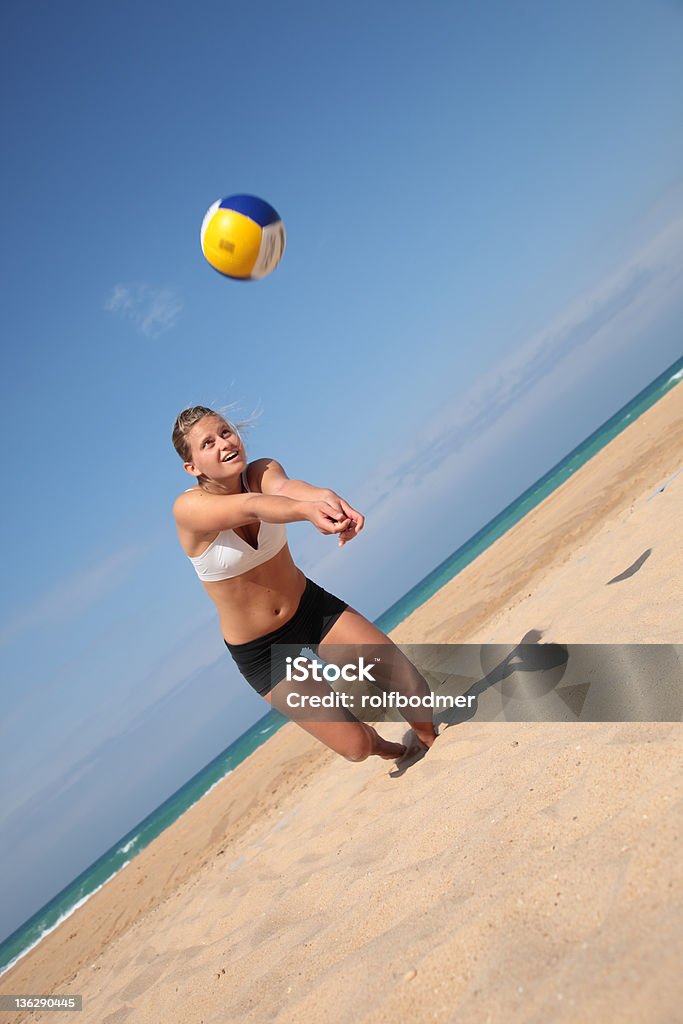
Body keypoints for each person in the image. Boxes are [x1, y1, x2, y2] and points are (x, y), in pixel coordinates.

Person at [171, 405, 438, 764]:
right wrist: (305, 512)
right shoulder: (188, 509)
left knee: (408, 682)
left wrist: (324, 499)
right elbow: (252, 507)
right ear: (192, 467)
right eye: (208, 443)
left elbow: (285, 488)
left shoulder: (261, 470)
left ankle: (430, 741)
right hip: (262, 652)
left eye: (225, 432)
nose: (224, 443)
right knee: (356, 747)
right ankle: (385, 746)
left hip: (310, 610)